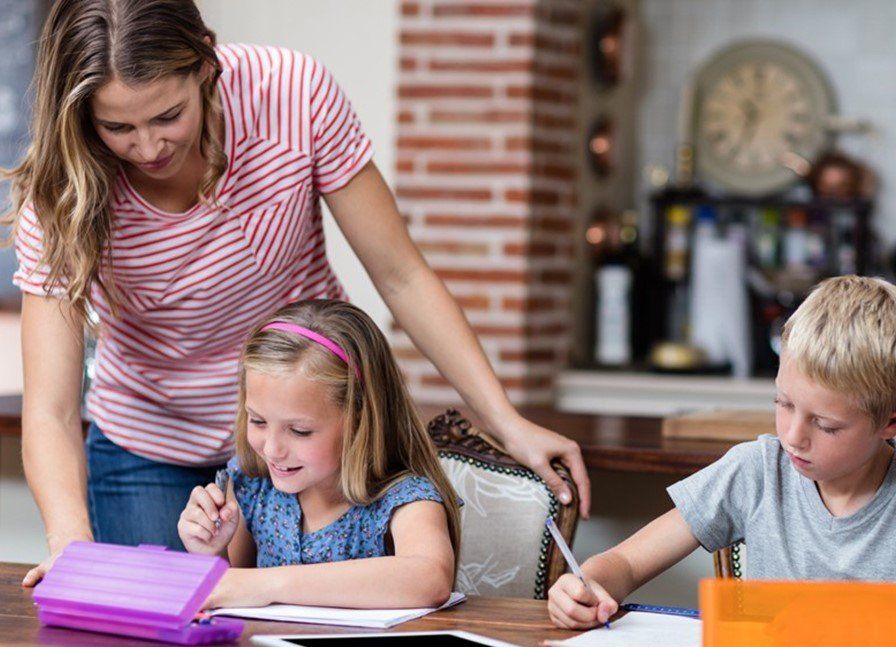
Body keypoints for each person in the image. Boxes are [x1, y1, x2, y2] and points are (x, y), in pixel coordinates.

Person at [3, 0, 590, 588]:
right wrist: (69, 540)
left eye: (168, 115)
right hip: (150, 448)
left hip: (312, 433)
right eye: (117, 128)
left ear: (206, 63)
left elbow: (401, 275)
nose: (149, 147)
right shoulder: (60, 193)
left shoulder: (293, 93)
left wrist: (506, 421)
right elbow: (51, 408)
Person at [548, 276, 896, 629]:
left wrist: (894, 616)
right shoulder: (757, 470)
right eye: (783, 403)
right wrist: (587, 585)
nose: (793, 435)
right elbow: (624, 563)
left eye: (827, 424)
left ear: (894, 422)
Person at [178, 299, 461, 609]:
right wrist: (212, 553)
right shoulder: (253, 485)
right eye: (258, 421)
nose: (271, 449)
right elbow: (233, 594)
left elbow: (430, 578)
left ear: (360, 421)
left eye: (299, 431)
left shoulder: (405, 498)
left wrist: (269, 583)